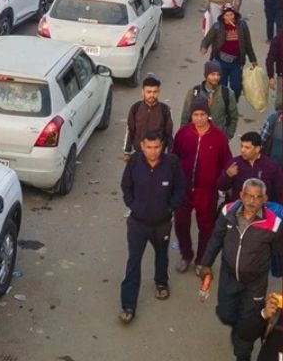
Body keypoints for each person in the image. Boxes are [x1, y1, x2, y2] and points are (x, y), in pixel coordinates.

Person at [201, 178, 283, 361]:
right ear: (241, 195)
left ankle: (242, 353)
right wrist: (206, 264)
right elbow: (216, 237)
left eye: (257, 197)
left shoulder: (274, 224)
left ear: (265, 199)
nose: (252, 201)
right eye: (248, 196)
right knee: (225, 314)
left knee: (247, 326)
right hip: (229, 276)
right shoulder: (227, 212)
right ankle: (240, 329)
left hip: (255, 283)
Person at [119, 130, 186, 323]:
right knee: (133, 262)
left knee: (162, 254)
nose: (153, 151)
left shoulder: (171, 164)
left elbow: (180, 188)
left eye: (157, 147)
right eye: (149, 147)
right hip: (137, 223)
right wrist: (133, 205)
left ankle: (161, 283)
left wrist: (170, 207)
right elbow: (126, 186)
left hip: (162, 224)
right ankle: (128, 305)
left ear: (162, 146)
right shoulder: (134, 162)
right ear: (142, 146)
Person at [173, 97, 233, 274]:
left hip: (207, 191)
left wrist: (225, 183)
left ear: (209, 115)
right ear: (191, 115)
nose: (199, 118)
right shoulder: (183, 134)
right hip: (183, 190)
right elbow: (174, 158)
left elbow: (227, 163)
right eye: (195, 114)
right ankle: (186, 255)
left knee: (206, 227)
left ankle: (201, 260)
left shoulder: (219, 138)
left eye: (202, 114)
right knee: (181, 224)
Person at [202, 6, 258, 106]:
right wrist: (204, 47)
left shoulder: (242, 26)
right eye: (226, 15)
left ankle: (233, 103)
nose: (229, 17)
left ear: (234, 15)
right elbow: (208, 38)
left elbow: (248, 43)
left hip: (236, 62)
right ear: (223, 16)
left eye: (231, 15)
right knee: (221, 86)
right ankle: (222, 105)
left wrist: (253, 59)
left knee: (236, 86)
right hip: (220, 62)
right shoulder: (217, 26)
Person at [181, 60, 240, 138]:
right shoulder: (194, 92)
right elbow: (186, 115)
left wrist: (228, 136)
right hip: (195, 136)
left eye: (218, 75)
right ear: (206, 75)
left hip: (217, 138)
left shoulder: (227, 93)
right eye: (213, 74)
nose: (216, 77)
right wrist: (183, 135)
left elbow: (233, 117)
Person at [220, 132, 281, 202]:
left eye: (247, 147)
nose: (242, 150)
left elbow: (279, 191)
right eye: (242, 146)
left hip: (261, 208)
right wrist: (227, 175)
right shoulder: (234, 163)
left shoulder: (271, 166)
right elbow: (222, 187)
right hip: (238, 208)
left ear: (257, 149)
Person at [124, 75, 174, 157]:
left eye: (155, 92)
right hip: (139, 154)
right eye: (149, 92)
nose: (152, 95)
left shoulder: (165, 110)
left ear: (159, 92)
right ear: (142, 92)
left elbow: (170, 135)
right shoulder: (135, 108)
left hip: (158, 156)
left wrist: (170, 156)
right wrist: (127, 151)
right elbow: (130, 130)